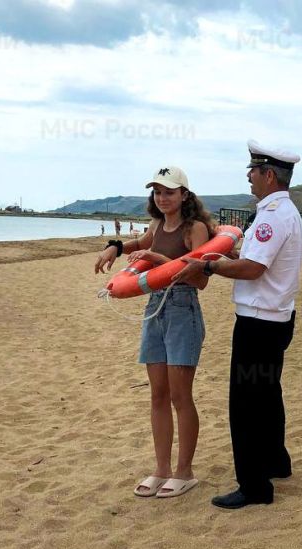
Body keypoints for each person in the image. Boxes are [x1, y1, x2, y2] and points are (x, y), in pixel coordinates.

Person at [175, 140, 302, 510]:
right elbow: (255, 260)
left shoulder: (271, 215)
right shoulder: (287, 212)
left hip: (259, 323)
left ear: (268, 175)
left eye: (253, 170)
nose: (248, 177)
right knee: (267, 394)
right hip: (277, 317)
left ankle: (254, 485)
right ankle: (277, 462)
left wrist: (210, 266)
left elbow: (254, 269)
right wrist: (231, 255)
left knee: (246, 403)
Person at [94, 165, 214, 499]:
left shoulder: (195, 229)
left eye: (169, 192)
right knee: (157, 395)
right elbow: (139, 244)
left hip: (182, 311)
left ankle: (184, 472)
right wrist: (114, 247)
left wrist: (160, 259)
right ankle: (162, 469)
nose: (162, 198)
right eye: (157, 192)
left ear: (184, 195)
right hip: (155, 311)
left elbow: (200, 279)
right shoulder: (158, 224)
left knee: (179, 396)